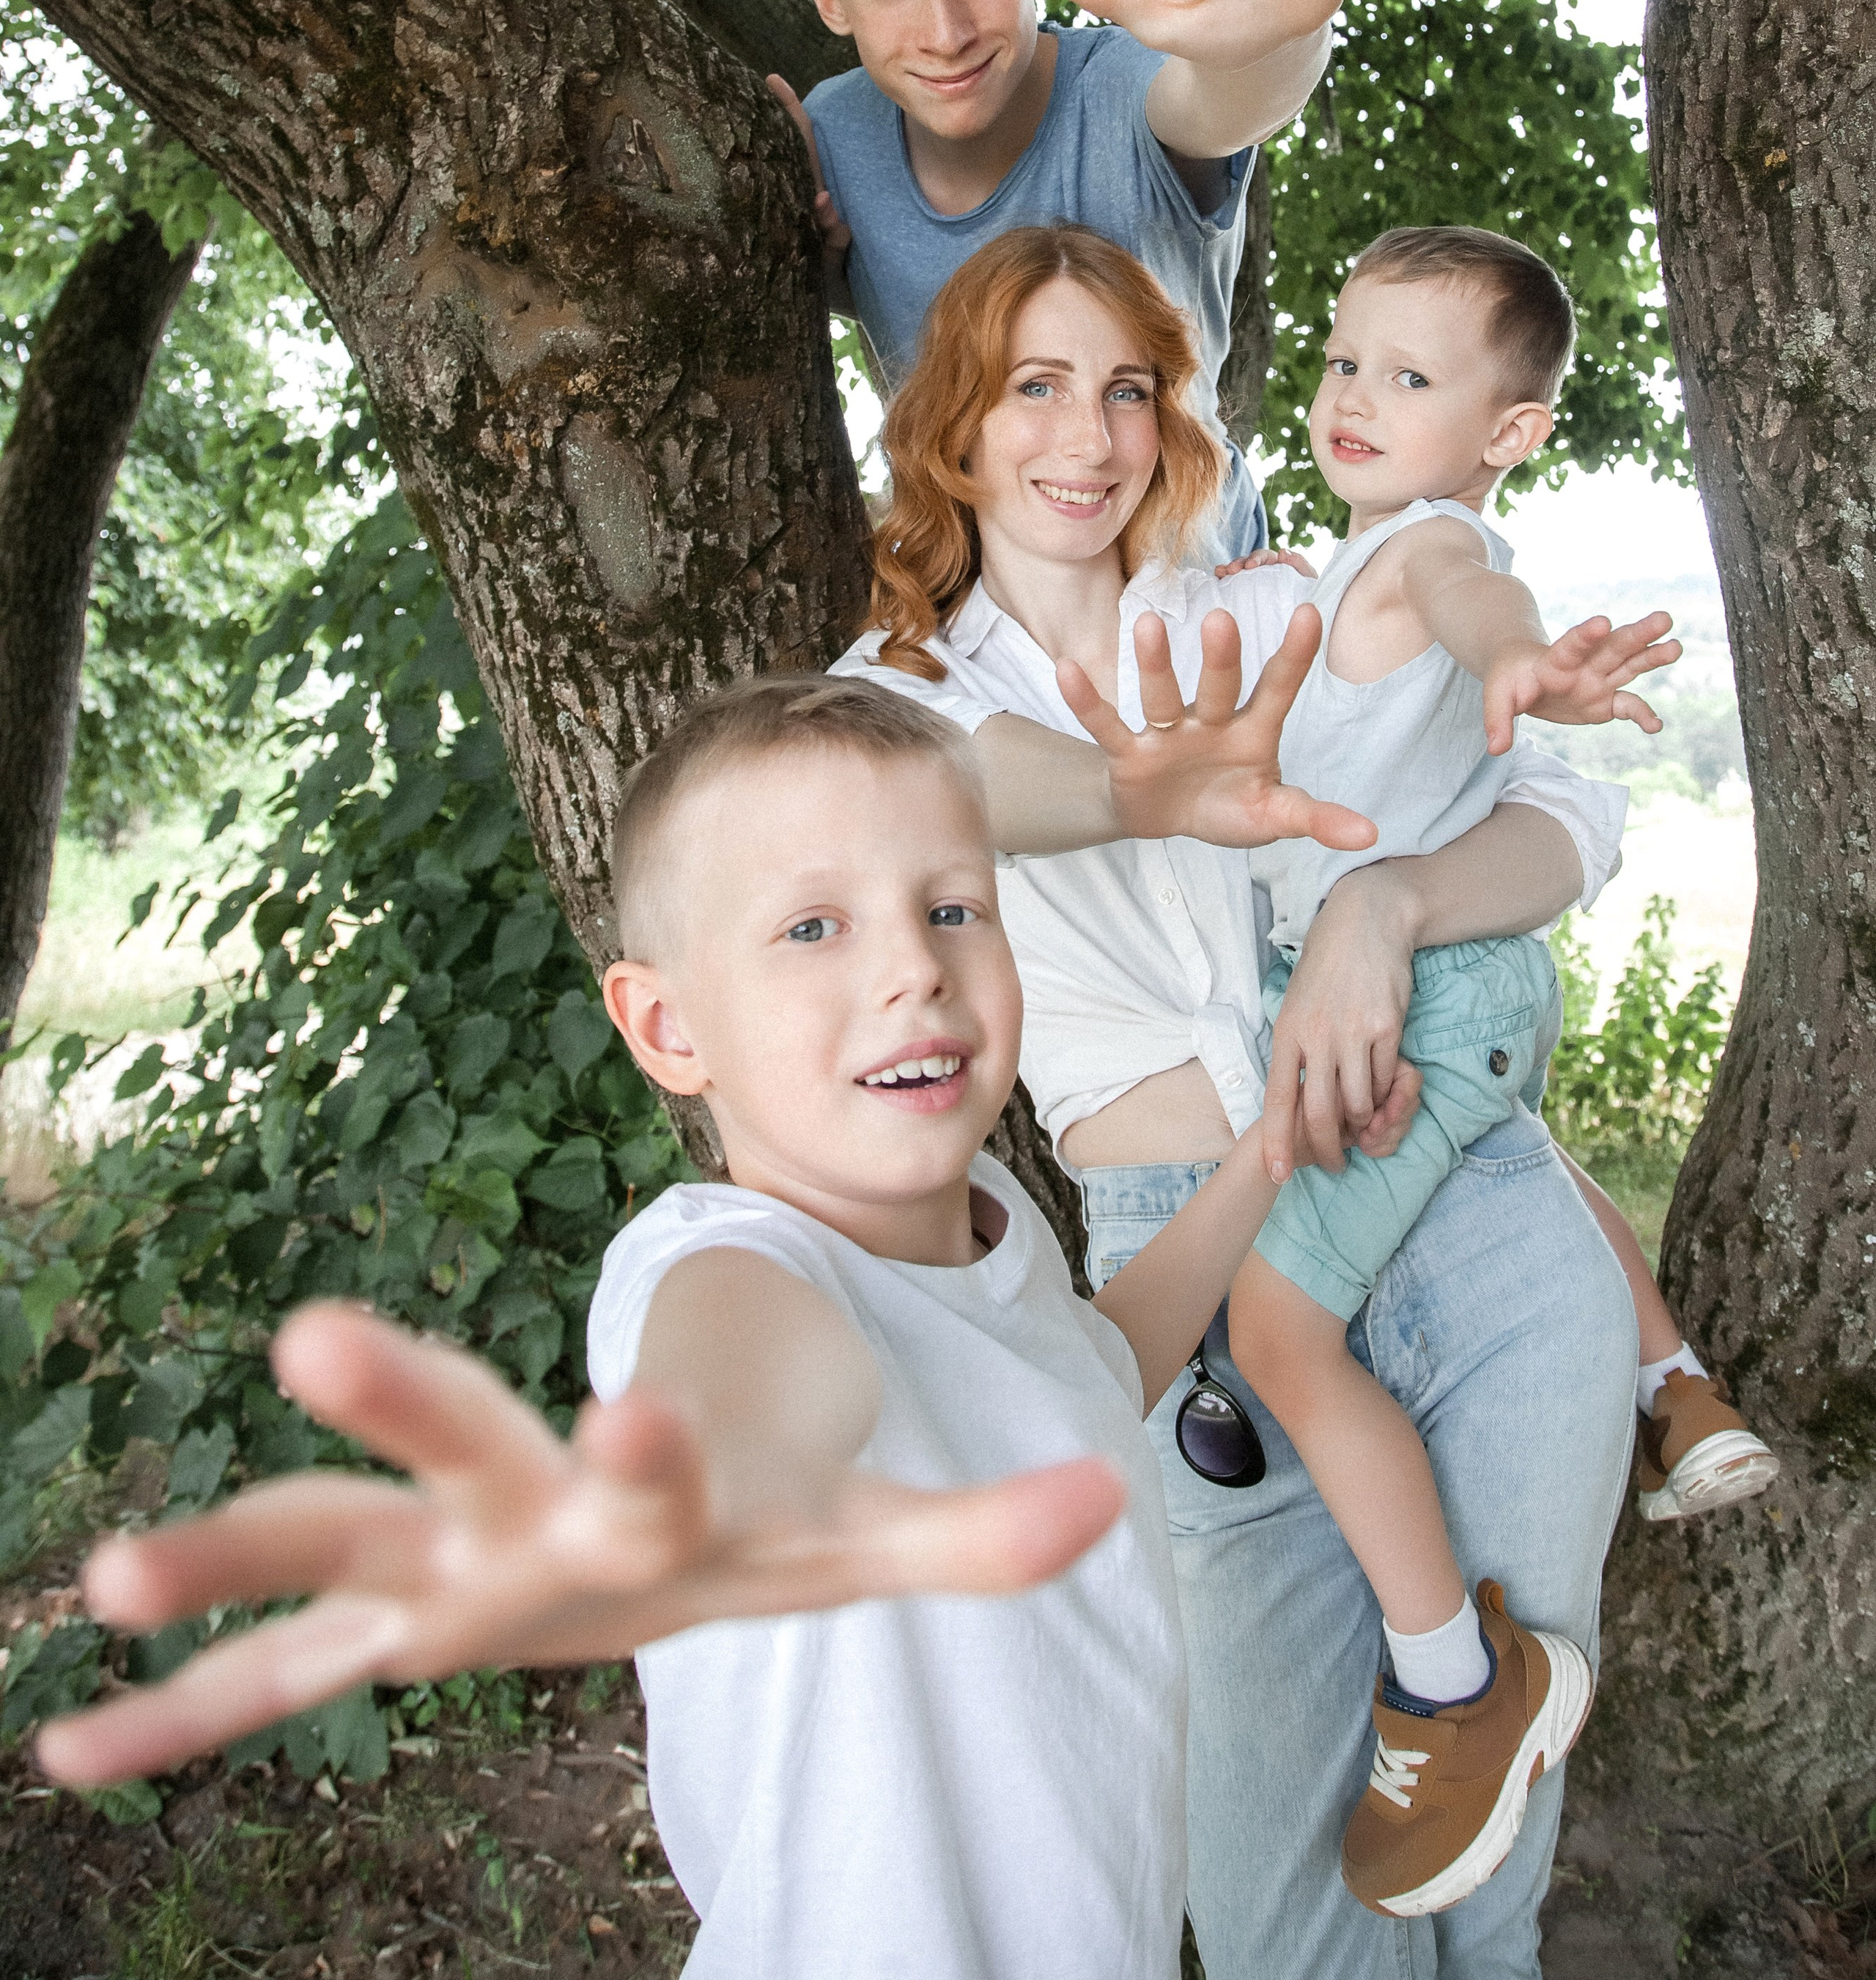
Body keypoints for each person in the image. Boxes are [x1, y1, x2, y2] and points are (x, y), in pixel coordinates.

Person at [36, 673, 1416, 1980]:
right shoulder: (726, 1267)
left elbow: (1085, 1371)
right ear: (668, 1027)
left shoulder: (999, 1228)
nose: (914, 969)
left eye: (953, 907)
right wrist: (659, 1510)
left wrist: (1269, 1154)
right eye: (813, 928)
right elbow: (740, 1408)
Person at [829, 222, 1647, 1979]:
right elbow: (969, 785)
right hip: (1202, 1281)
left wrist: (1386, 903)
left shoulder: (1262, 609)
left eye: (1125, 387)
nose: (1085, 433)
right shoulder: (889, 699)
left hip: (1468, 1218)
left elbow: (1569, 815)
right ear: (952, 421)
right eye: (1033, 385)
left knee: (1484, 1865)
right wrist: (1150, 793)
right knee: (1284, 1913)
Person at [1210, 223, 1775, 1916]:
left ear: (1506, 431)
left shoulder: (1426, 548)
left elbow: (1474, 597)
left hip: (1429, 990)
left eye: (1406, 375)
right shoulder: (1337, 565)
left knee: (1274, 1332)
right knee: (1519, 1143)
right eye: (1340, 360)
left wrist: (1517, 658)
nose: (1350, 396)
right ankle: (1672, 1380)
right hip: (1464, 998)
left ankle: (1455, 1681)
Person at [767, 0, 1348, 555]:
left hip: (1195, 605)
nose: (945, 32)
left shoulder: (1129, 89)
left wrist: (1279, 32)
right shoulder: (835, 137)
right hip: (983, 618)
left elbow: (1229, 98)